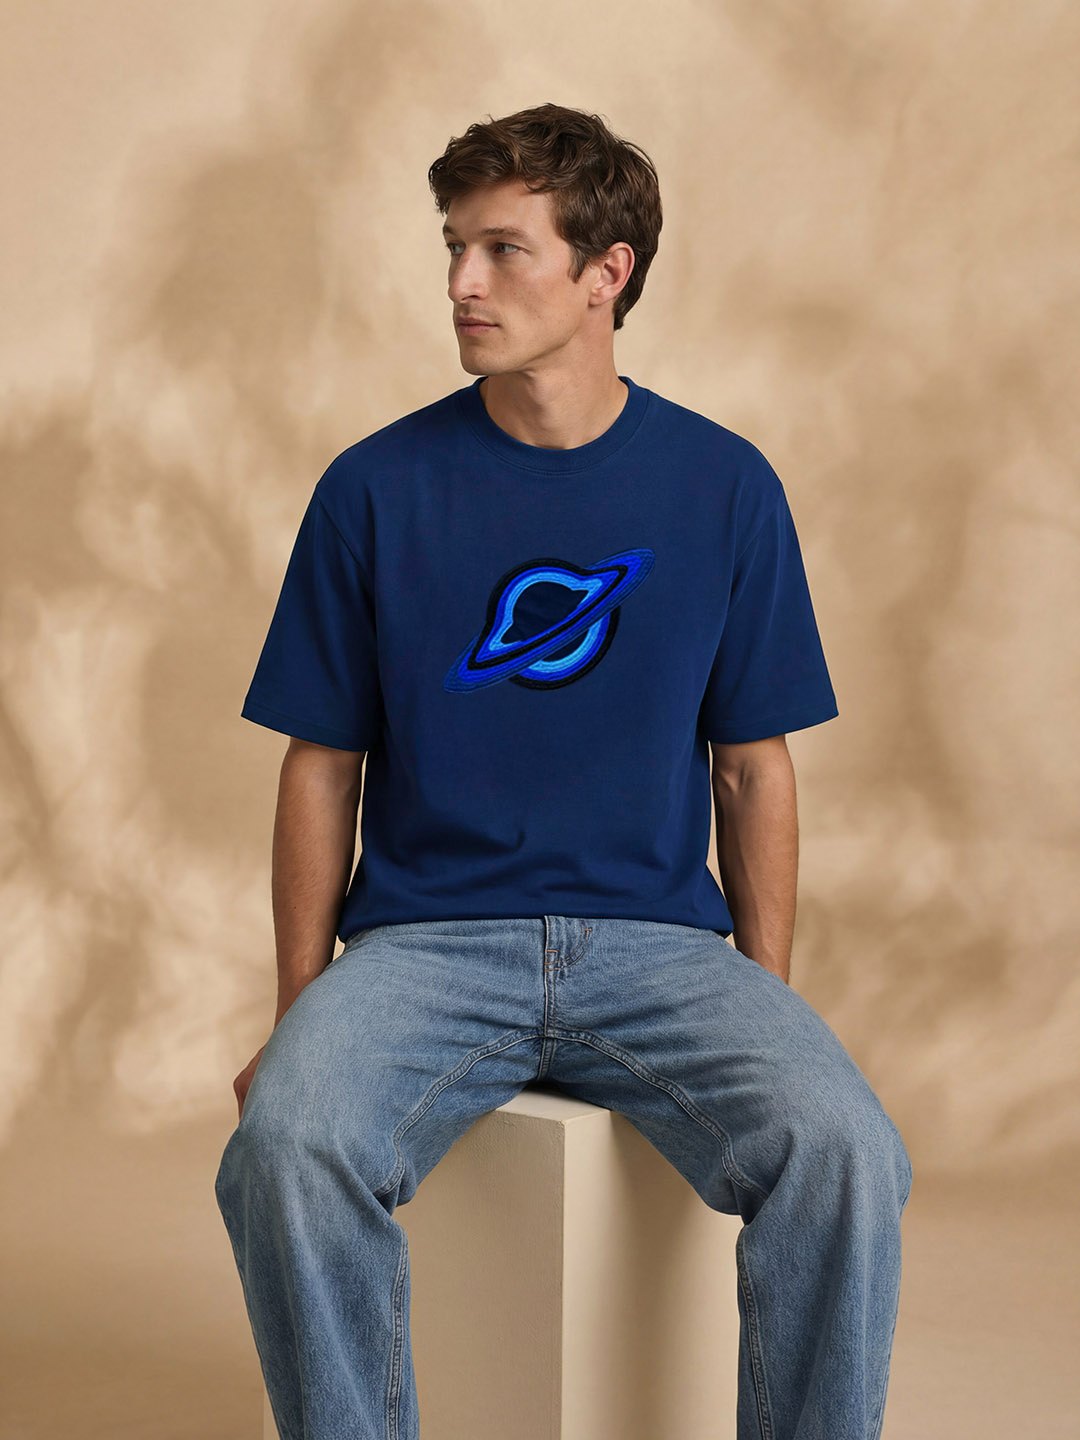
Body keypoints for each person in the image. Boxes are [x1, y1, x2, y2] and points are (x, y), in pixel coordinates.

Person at [214, 102, 912, 1440]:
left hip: (661, 947)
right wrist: (299, 1007)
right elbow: (321, 766)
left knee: (846, 1150)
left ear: (607, 273)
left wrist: (764, 1000)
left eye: (503, 250)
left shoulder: (724, 487)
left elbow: (752, 771)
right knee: (287, 1147)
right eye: (454, 248)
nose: (462, 284)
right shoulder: (374, 488)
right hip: (426, 946)